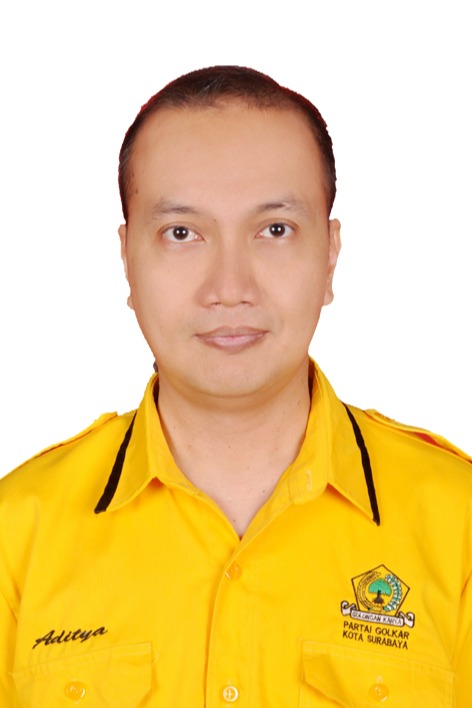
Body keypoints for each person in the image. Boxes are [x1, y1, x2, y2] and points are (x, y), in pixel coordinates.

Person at [0, 66, 470, 707]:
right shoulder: (17, 533)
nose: (229, 288)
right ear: (127, 258)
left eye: (275, 230)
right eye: (182, 233)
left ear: (330, 254)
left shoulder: (458, 523)